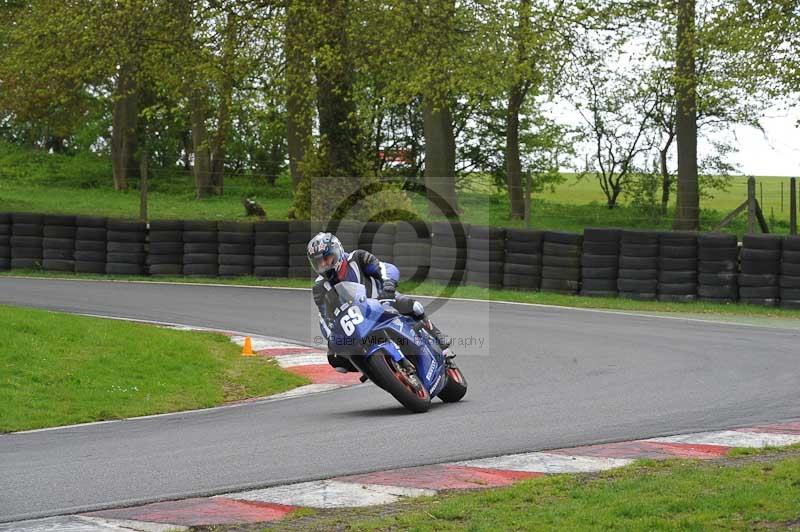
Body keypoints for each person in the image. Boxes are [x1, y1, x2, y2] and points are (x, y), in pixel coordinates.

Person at [307, 231, 451, 373]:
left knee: (414, 306)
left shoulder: (357, 258)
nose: (325, 265)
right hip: (356, 321)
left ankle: (437, 337)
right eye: (319, 263)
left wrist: (388, 286)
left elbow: (385, 268)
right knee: (336, 359)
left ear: (337, 251)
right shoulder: (320, 287)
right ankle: (374, 369)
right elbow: (325, 316)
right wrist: (333, 335)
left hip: (382, 301)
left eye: (327, 258)